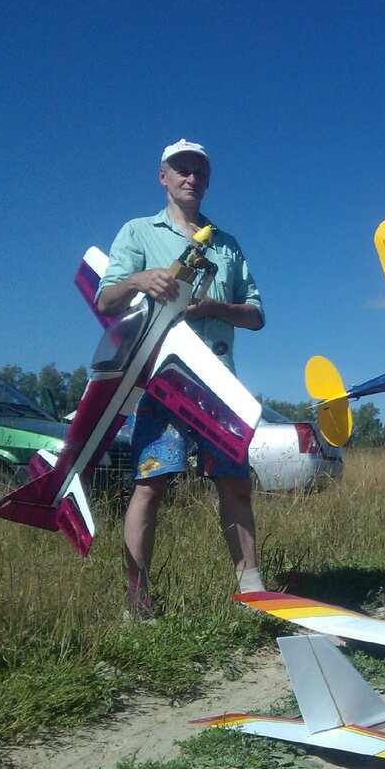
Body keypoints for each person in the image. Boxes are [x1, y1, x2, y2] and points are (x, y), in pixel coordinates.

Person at [96, 139, 265, 619]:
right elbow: (107, 300)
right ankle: (137, 601)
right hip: (163, 383)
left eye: (199, 171)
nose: (190, 178)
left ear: (207, 181)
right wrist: (139, 280)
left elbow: (256, 315)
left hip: (219, 386)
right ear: (163, 177)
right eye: (181, 170)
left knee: (235, 485)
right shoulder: (137, 232)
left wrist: (216, 308)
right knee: (151, 486)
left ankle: (252, 591)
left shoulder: (227, 244)